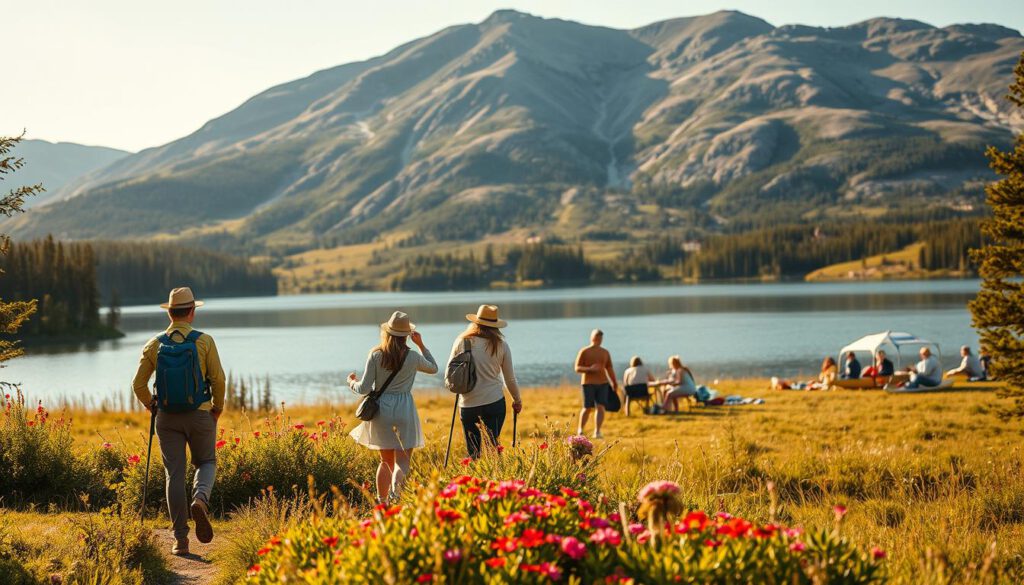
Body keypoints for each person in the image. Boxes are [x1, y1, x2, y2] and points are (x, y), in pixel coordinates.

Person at [132, 287, 226, 556]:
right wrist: (217, 408)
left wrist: (153, 405)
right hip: (200, 414)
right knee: (206, 462)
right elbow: (219, 380)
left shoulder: (154, 344)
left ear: (170, 313)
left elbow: (138, 384)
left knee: (173, 474)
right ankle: (200, 499)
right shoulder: (204, 341)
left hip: (167, 417)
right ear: (192, 312)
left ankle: (180, 541)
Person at [348, 311, 437, 504]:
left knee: (385, 461)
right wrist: (421, 345)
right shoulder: (413, 356)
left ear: (387, 333)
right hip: (405, 408)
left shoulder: (376, 355)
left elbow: (363, 388)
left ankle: (382, 502)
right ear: (407, 335)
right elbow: (433, 368)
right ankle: (396, 498)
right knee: (403, 462)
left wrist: (351, 382)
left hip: (382, 410)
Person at [449, 305, 522, 459]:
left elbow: (450, 374)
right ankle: (495, 481)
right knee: (492, 448)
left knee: (474, 452)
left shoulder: (461, 341)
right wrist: (517, 399)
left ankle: (476, 481)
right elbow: (509, 379)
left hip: (468, 404)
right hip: (493, 402)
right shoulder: (501, 345)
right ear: (496, 326)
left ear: (476, 322)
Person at [574, 329, 618, 439]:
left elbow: (609, 368)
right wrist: (590, 369)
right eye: (596, 337)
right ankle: (580, 430)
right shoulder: (584, 351)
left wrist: (614, 382)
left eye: (600, 337)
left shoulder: (605, 352)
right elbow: (577, 368)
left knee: (601, 407)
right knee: (587, 407)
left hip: (603, 383)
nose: (598, 339)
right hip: (588, 383)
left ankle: (597, 431)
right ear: (591, 337)